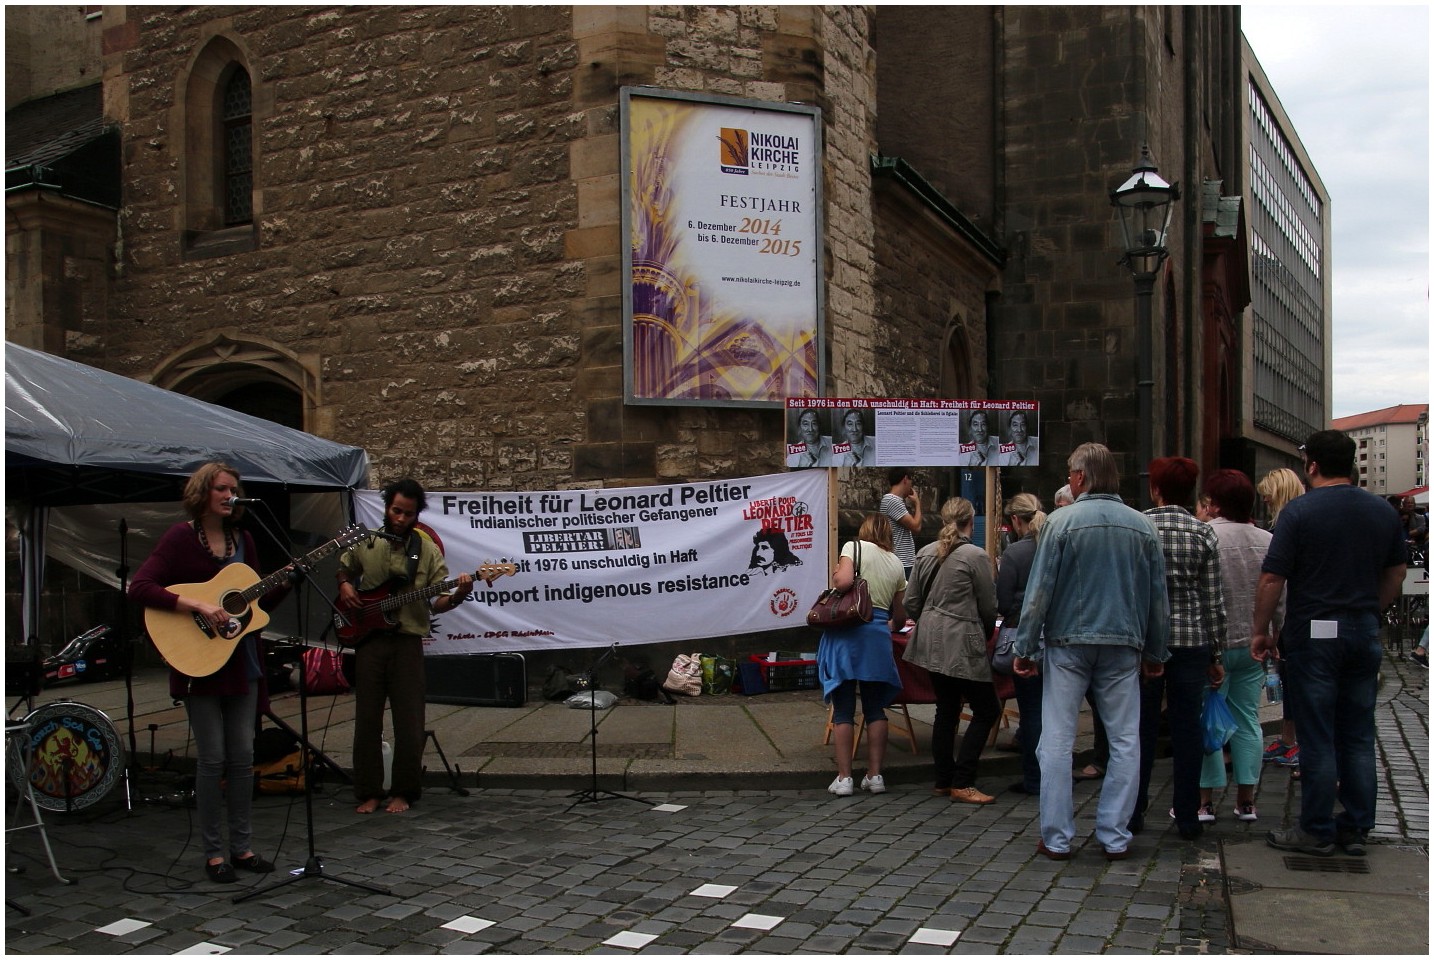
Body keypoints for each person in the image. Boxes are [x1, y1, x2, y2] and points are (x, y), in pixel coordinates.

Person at [129, 461, 288, 883]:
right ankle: (213, 853)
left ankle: (243, 847)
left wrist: (291, 578)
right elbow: (140, 586)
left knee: (242, 758)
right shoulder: (181, 538)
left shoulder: (246, 539)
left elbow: (256, 604)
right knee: (212, 757)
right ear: (203, 493)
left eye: (233, 488)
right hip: (200, 665)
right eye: (220, 488)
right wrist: (197, 605)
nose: (228, 494)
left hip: (242, 663)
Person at [1253, 430, 1407, 857]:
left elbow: (1272, 578)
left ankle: (1316, 827)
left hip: (1314, 632)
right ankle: (1356, 826)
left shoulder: (1299, 512)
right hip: (1361, 629)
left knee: (1317, 732)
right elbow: (1395, 573)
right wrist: (1367, 611)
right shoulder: (1381, 511)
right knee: (1357, 733)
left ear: (1313, 465)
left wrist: (1261, 630)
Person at [1013, 443, 1169, 861]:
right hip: (1123, 645)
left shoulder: (1061, 523)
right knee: (1124, 741)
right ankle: (1114, 834)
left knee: (1058, 741)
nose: (1068, 478)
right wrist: (1156, 652)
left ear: (1081, 477)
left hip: (1069, 643)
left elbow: (1039, 591)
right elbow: (1157, 597)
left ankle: (1058, 836)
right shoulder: (1142, 526)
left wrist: (1025, 646)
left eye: (1069, 472)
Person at [337, 478, 474, 814]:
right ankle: (369, 790)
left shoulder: (425, 548)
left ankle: (404, 791)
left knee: (409, 720)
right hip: (368, 640)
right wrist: (344, 586)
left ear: (416, 515)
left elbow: (437, 602)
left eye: (407, 514)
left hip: (407, 641)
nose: (400, 519)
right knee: (367, 718)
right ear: (386, 507)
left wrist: (457, 595)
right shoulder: (368, 540)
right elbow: (344, 568)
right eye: (396, 510)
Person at [1131, 457, 1226, 839]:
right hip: (1191, 641)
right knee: (1187, 730)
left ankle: (1133, 811)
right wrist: (1216, 654)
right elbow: (1213, 601)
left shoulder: (1139, 527)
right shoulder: (1202, 533)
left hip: (1146, 643)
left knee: (1140, 728)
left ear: (1155, 489)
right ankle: (1187, 814)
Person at [1198, 469, 1282, 822]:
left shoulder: (1205, 536)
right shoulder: (1267, 540)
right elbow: (1280, 592)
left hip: (1213, 644)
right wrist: (1275, 635)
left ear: (1214, 503)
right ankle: (1246, 800)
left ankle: (1204, 802)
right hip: (1254, 642)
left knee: (1210, 721)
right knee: (1248, 719)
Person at [904, 497, 1000, 803]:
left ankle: (944, 778)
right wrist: (983, 633)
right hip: (961, 639)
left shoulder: (925, 552)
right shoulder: (976, 556)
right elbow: (988, 605)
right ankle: (963, 780)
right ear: (971, 520)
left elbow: (911, 601)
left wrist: (930, 622)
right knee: (987, 709)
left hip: (931, 640)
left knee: (946, 708)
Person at [818, 513, 907, 796]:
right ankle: (875, 775)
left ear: (864, 530)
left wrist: (835, 574)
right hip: (877, 636)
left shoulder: (852, 548)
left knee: (843, 709)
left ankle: (845, 778)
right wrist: (887, 624)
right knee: (874, 708)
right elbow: (901, 615)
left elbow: (843, 583)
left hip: (849, 634)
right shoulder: (896, 563)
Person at [1256, 466, 1306, 770]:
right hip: (1290, 617)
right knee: (1288, 679)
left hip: (1293, 616)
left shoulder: (1290, 527)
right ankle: (1289, 739)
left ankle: (1297, 743)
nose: (1264, 501)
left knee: (1297, 681)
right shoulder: (1286, 525)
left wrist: (1267, 626)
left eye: (1267, 495)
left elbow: (1276, 580)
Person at [996, 493, 1046, 796]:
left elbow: (1002, 601)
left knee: (1031, 710)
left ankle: (1034, 776)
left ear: (1016, 520)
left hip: (1023, 635)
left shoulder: (1015, 553)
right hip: (1056, 637)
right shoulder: (1055, 545)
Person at [881, 467, 923, 578]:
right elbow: (916, 526)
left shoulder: (894, 501)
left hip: (902, 561)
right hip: (901, 561)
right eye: (910, 482)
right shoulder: (892, 500)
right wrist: (917, 503)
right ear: (905, 479)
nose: (911, 486)